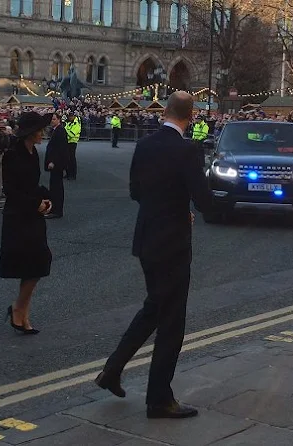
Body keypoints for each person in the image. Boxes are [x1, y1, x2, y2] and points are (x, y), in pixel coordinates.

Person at [95, 91, 215, 419]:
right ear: (191, 117)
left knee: (154, 308)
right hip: (173, 244)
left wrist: (163, 207)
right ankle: (159, 398)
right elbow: (202, 200)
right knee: (171, 322)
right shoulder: (188, 150)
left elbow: (136, 191)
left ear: (164, 111)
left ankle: (112, 370)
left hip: (147, 239)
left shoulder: (145, 146)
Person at [0, 112, 53, 334]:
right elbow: (11, 189)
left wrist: (45, 198)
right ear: (30, 133)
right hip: (18, 216)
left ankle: (20, 309)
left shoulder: (33, 154)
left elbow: (33, 184)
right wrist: (35, 204)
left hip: (33, 214)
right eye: (40, 130)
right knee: (30, 266)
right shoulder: (13, 154)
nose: (43, 133)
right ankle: (21, 311)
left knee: (38, 264)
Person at [44, 113, 68, 219]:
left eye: (54, 119)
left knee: (56, 188)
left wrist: (53, 161)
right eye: (51, 119)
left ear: (59, 120)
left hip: (57, 164)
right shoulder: (55, 130)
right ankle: (54, 209)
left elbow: (61, 149)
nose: (52, 121)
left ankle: (57, 210)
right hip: (55, 163)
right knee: (54, 187)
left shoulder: (60, 131)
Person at [64, 114, 81, 180]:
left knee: (72, 159)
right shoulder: (69, 123)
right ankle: (68, 173)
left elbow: (71, 134)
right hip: (67, 142)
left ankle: (73, 175)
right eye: (69, 116)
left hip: (72, 143)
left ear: (74, 117)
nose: (70, 117)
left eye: (71, 116)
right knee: (67, 159)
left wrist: (65, 133)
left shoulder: (77, 124)